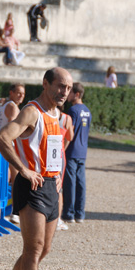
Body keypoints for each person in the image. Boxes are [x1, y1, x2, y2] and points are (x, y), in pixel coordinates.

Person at [0, 67, 73, 270]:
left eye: (68, 88)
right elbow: (2, 138)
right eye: (59, 86)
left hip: (49, 186)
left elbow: (56, 148)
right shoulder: (31, 111)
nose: (64, 92)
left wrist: (57, 175)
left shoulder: (60, 116)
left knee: (42, 250)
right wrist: (23, 169)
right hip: (31, 184)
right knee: (34, 249)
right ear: (45, 84)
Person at [0, 83, 26, 224]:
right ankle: (13, 211)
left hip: (2, 145)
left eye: (23, 93)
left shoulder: (5, 105)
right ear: (11, 93)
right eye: (19, 92)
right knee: (14, 179)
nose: (21, 96)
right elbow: (14, 129)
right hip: (9, 145)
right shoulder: (12, 106)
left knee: (3, 178)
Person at [61, 82, 92, 224]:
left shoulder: (73, 110)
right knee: (81, 184)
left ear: (77, 94)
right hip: (82, 151)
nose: (67, 94)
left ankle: (69, 213)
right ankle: (80, 213)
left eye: (70, 91)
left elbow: (69, 132)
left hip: (72, 150)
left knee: (70, 184)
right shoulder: (87, 110)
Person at [56, 107, 74, 231]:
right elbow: (70, 137)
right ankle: (57, 219)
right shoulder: (66, 118)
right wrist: (63, 148)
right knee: (59, 188)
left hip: (45, 154)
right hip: (59, 154)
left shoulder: (42, 114)